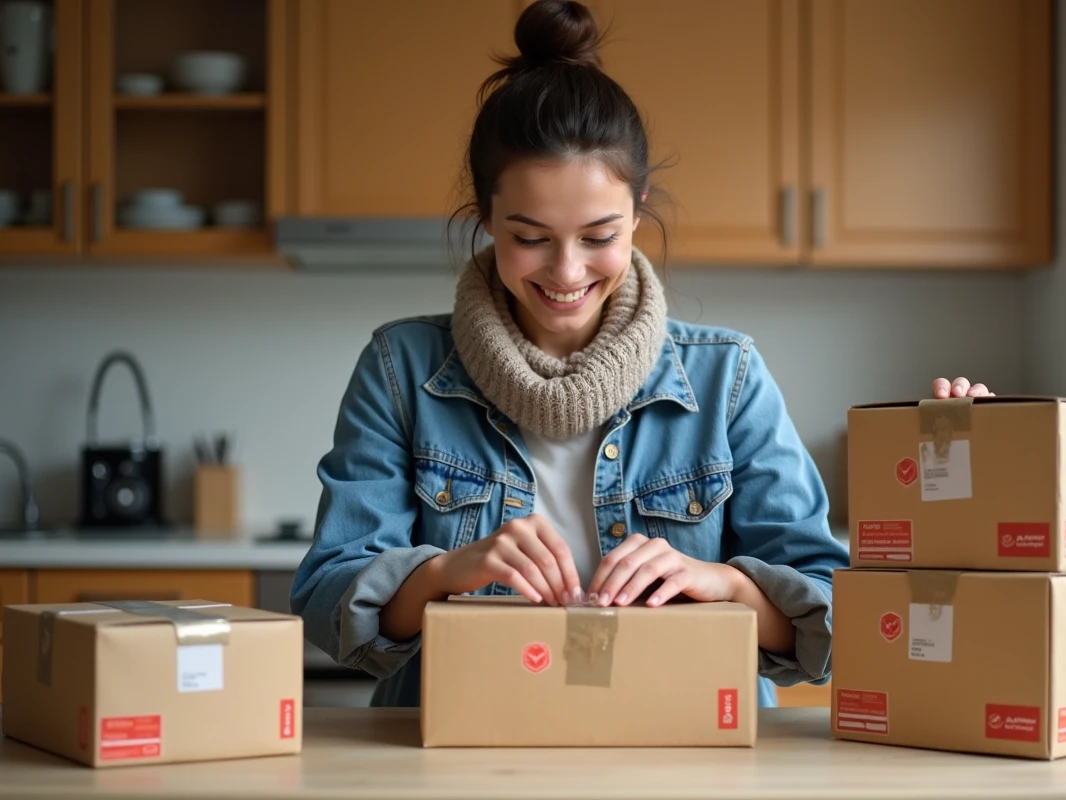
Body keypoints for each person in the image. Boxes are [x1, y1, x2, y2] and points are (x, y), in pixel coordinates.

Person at [289, 0, 993, 709]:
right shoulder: (400, 369)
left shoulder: (727, 377)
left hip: (688, 743)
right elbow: (327, 599)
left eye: (599, 236)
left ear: (639, 207)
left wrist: (726, 584)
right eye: (530, 236)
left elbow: (838, 618)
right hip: (464, 740)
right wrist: (444, 573)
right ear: (485, 216)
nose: (567, 272)